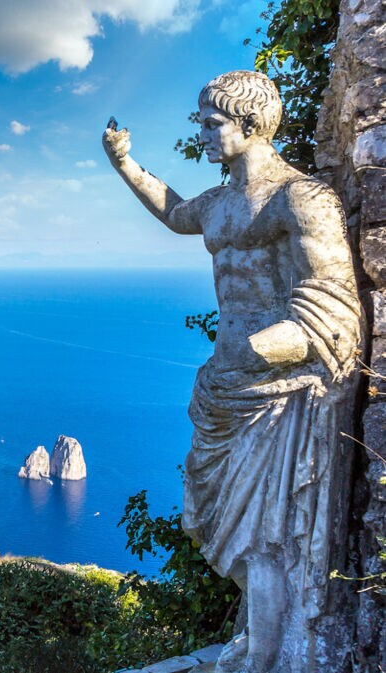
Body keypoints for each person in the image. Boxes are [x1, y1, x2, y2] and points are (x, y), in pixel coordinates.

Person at [103, 70, 361, 673]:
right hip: (226, 386)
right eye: (203, 122)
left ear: (250, 124)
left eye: (212, 123)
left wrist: (262, 350)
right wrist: (125, 164)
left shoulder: (299, 198)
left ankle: (269, 657)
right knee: (221, 524)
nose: (204, 133)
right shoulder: (220, 202)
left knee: (266, 536)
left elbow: (335, 301)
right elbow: (174, 212)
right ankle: (260, 643)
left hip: (276, 391)